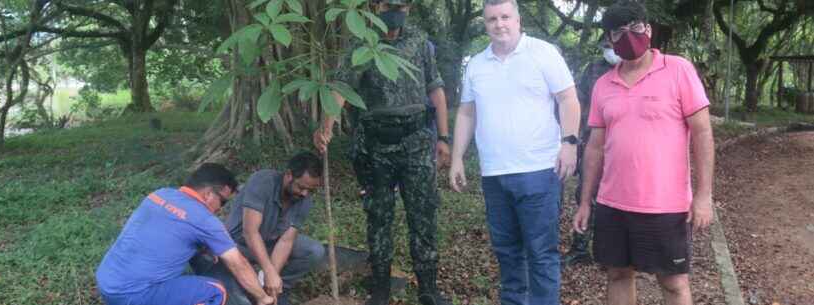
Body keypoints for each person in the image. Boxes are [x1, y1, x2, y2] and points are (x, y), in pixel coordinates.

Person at [572, 2, 715, 305]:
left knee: (674, 284)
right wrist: (585, 201)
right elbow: (595, 147)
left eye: (635, 27)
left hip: (666, 205)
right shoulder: (602, 85)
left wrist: (703, 196)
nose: (628, 36)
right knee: (618, 275)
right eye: (618, 32)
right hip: (613, 204)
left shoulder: (678, 70)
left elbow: (702, 132)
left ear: (648, 30)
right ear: (609, 40)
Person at [313, 0, 451, 304]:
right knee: (378, 218)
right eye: (390, 4)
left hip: (416, 142)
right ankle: (380, 289)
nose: (395, 10)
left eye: (402, 5)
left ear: (410, 9)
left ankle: (428, 289)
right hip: (375, 146)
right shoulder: (359, 44)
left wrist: (444, 137)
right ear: (376, 6)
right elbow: (341, 89)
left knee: (423, 216)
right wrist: (327, 125)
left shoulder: (419, 43)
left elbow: (435, 88)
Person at [449, 0, 581, 303]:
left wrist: (569, 143)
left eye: (505, 17)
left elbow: (568, 99)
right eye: (492, 19)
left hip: (538, 171)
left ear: (518, 19)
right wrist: (456, 158)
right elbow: (467, 113)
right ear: (485, 23)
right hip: (494, 174)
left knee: (541, 253)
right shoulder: (477, 64)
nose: (500, 24)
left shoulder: (542, 53)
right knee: (507, 254)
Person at [95, 163, 273, 305]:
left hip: (106, 282)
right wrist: (263, 298)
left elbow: (172, 231)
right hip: (134, 295)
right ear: (209, 194)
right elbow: (238, 264)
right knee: (216, 291)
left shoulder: (159, 194)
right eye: (223, 201)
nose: (220, 209)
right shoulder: (204, 220)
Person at [193, 152, 325, 305]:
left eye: (310, 190)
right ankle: (246, 288)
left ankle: (279, 289)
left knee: (314, 250)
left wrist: (271, 278)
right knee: (238, 299)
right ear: (289, 175)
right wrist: (268, 271)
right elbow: (250, 232)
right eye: (301, 187)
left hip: (269, 244)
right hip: (237, 245)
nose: (305, 193)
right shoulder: (263, 181)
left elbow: (286, 241)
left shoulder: (304, 199)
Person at [562, 34, 621, 267]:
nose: (610, 50)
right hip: (591, 143)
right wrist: (573, 140)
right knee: (585, 196)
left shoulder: (635, 68)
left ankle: (612, 252)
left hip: (621, 148)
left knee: (618, 200)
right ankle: (580, 248)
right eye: (606, 46)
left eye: (612, 46)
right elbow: (579, 102)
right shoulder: (594, 69)